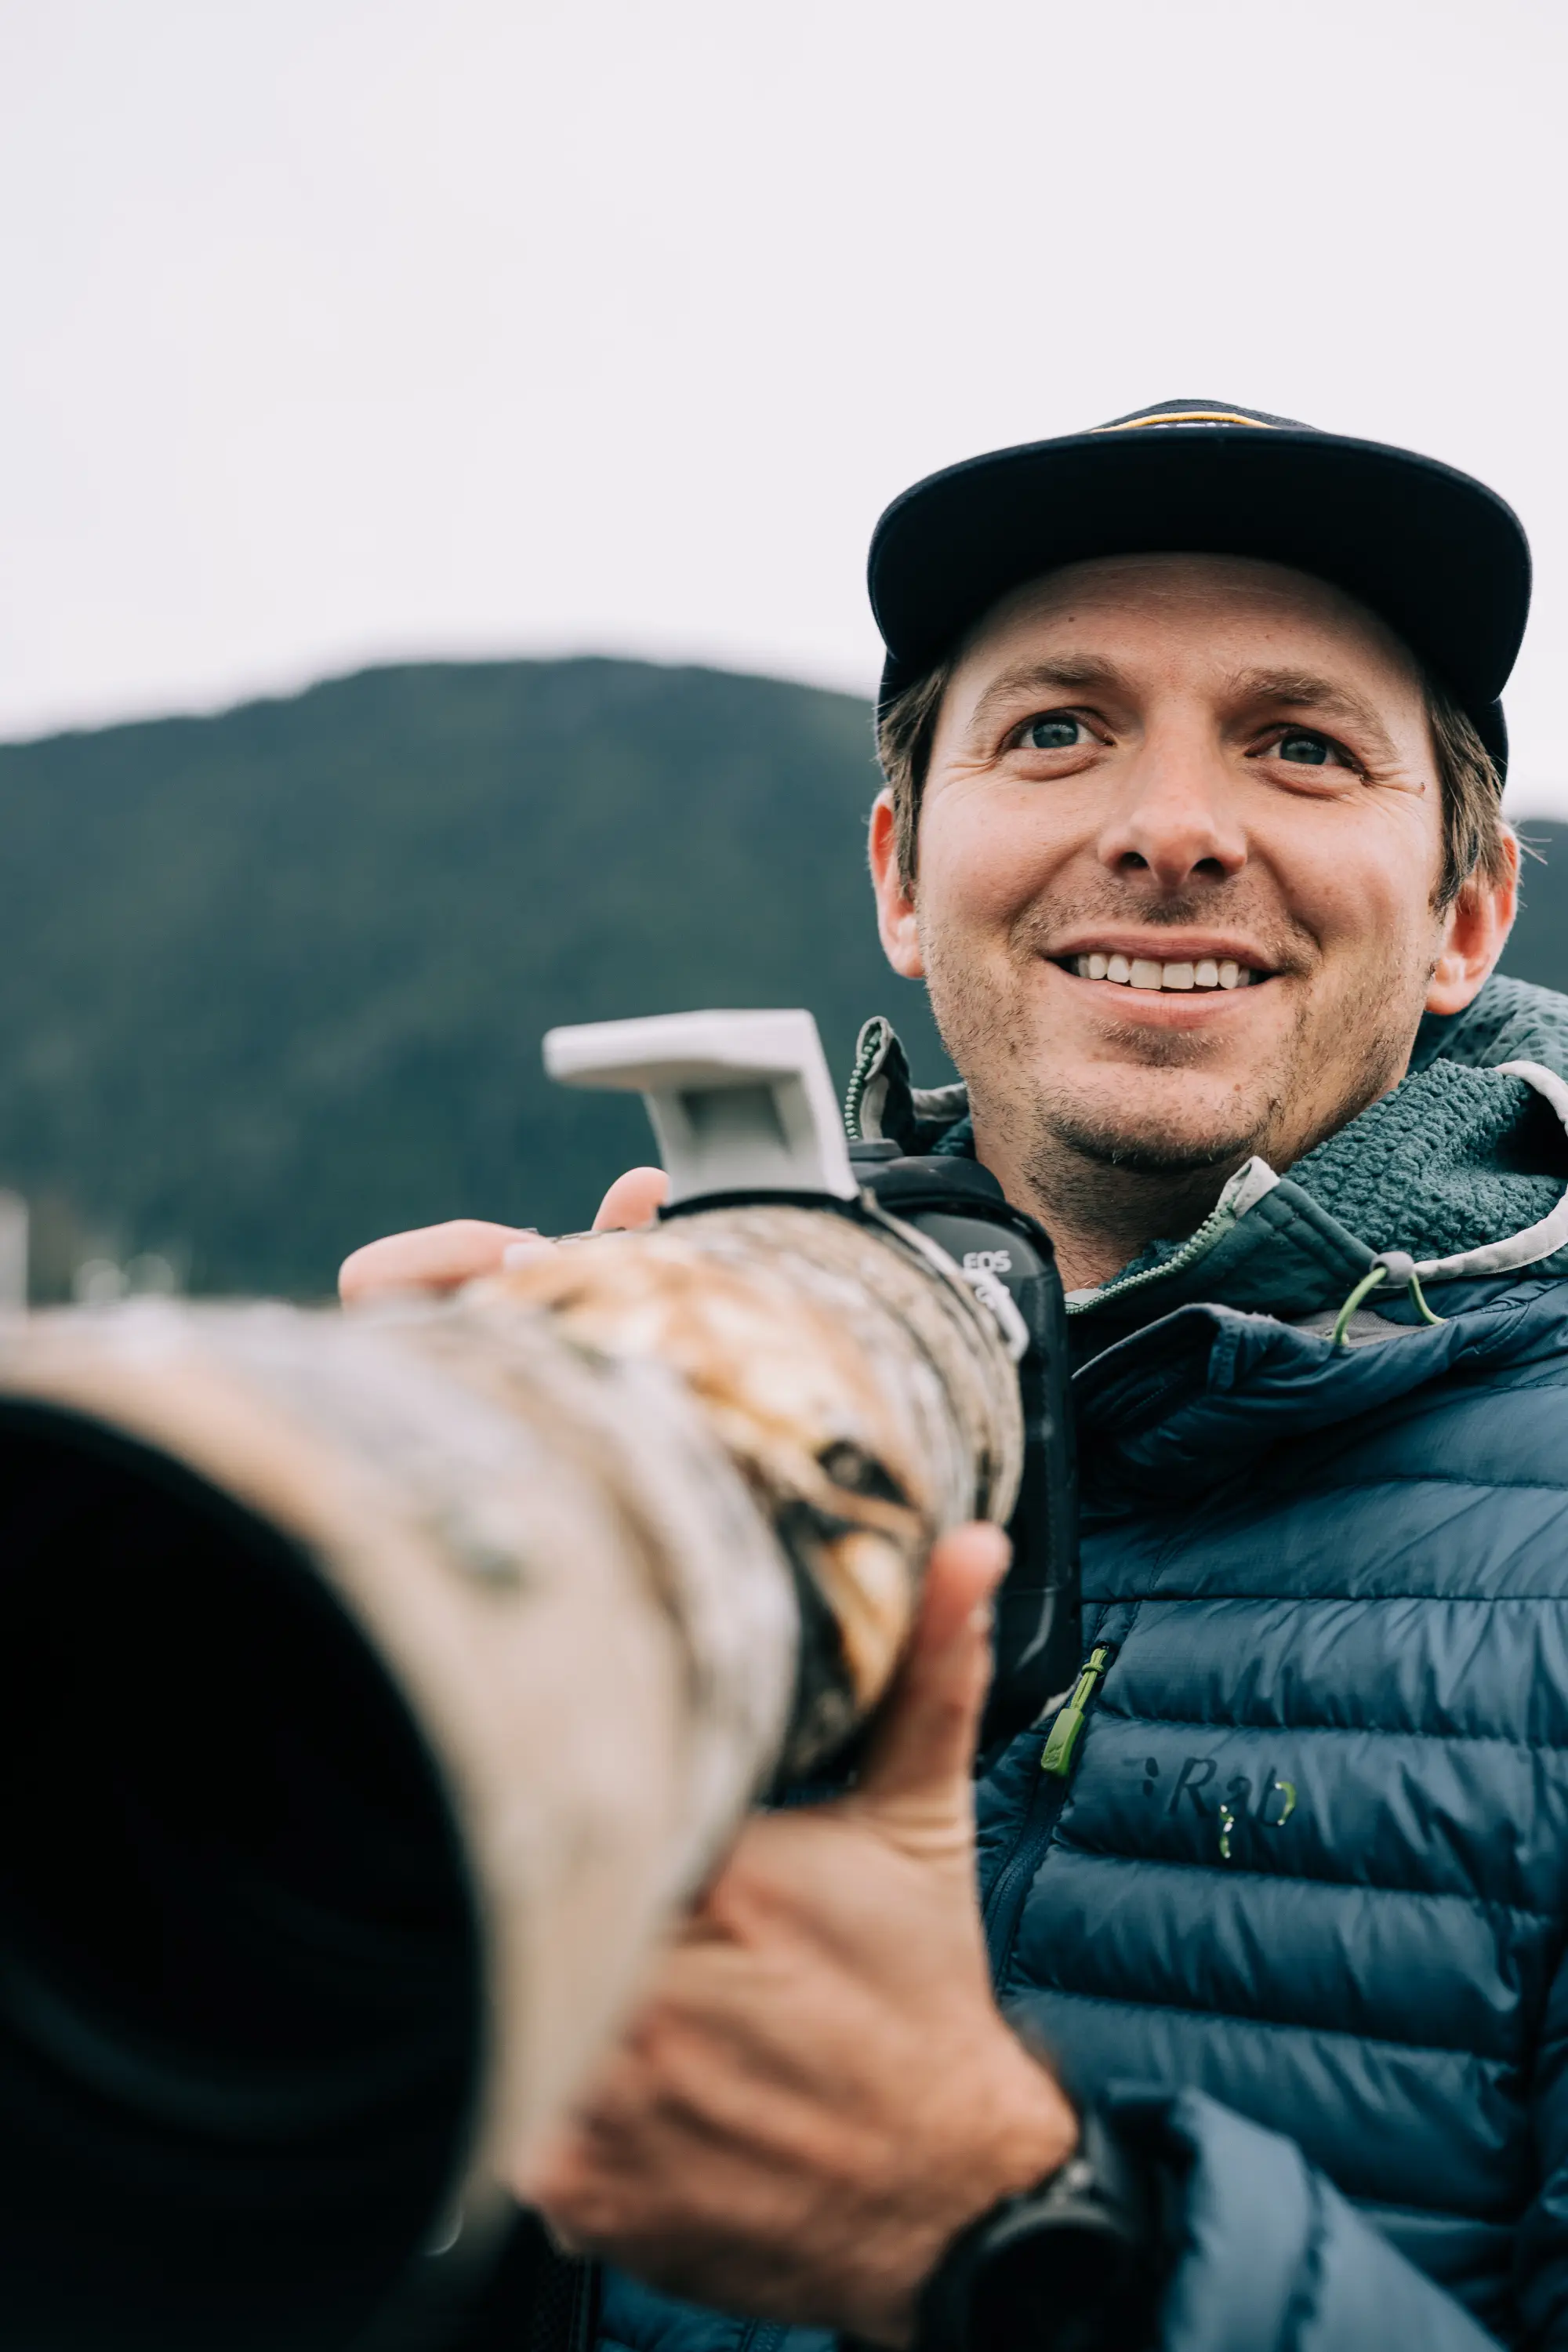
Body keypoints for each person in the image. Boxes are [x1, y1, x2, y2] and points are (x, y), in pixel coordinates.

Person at [341, 402, 1568, 2350]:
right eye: (1059, 729)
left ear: (1464, 916)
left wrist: (1025, 2238)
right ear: (903, 873)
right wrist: (330, 1692)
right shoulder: (674, 1447)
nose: (1171, 826)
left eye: (1302, 746)